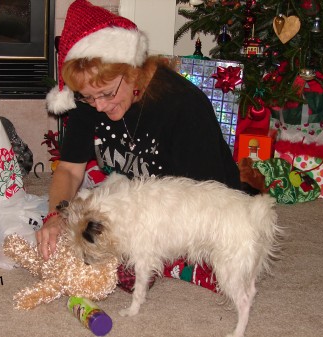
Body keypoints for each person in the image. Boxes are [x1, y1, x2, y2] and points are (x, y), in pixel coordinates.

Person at [36, 0, 241, 291]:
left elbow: (205, 203)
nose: (99, 106)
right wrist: (57, 216)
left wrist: (128, 240)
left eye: (107, 93)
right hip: (134, 196)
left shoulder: (183, 107)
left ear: (131, 70)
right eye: (88, 98)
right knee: (75, 223)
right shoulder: (89, 99)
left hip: (194, 205)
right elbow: (69, 169)